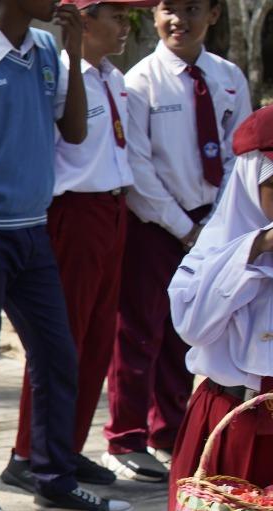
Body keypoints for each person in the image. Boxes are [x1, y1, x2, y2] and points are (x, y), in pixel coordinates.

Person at [0, 0, 133, 511]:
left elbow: (76, 130)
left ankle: (54, 480)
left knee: (58, 356)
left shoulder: (45, 50)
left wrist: (68, 54)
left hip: (33, 232)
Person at [2, 0, 153, 494]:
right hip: (74, 213)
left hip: (112, 210)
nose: (125, 27)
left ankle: (65, 445)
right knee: (59, 339)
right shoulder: (61, 75)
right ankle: (29, 451)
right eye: (115, 15)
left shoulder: (114, 77)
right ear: (83, 20)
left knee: (96, 339)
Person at [104, 0, 250, 482]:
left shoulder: (228, 76)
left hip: (212, 226)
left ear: (213, 14)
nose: (178, 21)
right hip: (157, 225)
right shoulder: (141, 80)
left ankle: (169, 429)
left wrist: (217, 222)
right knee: (140, 330)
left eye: (191, 9)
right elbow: (138, 166)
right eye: (168, 9)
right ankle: (126, 437)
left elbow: (240, 156)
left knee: (188, 331)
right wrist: (183, 226)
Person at [156, 108, 273, 511]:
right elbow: (193, 324)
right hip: (229, 428)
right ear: (252, 181)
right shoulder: (215, 254)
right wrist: (255, 252)